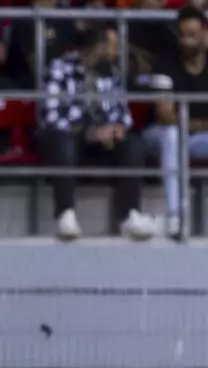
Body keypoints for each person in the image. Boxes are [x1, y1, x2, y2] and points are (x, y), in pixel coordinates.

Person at [39, 25, 156, 242]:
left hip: (104, 143)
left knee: (132, 142)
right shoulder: (60, 68)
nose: (117, 52)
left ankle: (130, 214)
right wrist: (89, 132)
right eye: (112, 46)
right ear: (98, 47)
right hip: (72, 139)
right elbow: (50, 117)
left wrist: (118, 129)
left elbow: (124, 115)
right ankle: (66, 214)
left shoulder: (112, 73)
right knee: (61, 140)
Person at [144, 4, 208, 239]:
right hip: (158, 135)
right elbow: (165, 115)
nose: (186, 41)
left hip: (198, 138)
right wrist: (199, 124)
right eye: (182, 35)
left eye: (192, 35)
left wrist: (192, 125)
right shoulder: (165, 62)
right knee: (172, 134)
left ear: (204, 33)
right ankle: (175, 214)